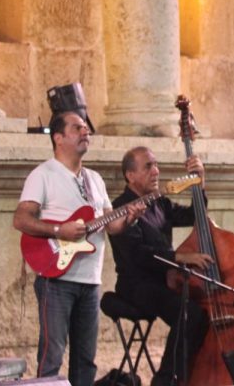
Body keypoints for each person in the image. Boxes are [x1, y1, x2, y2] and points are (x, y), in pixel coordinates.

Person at [13, 112, 143, 386]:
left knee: (86, 360)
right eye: (77, 128)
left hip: (90, 281)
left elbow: (111, 225)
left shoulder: (94, 179)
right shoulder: (43, 174)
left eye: (86, 128)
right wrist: (59, 231)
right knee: (52, 356)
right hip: (56, 279)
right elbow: (21, 220)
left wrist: (129, 218)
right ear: (58, 138)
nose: (86, 132)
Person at [109, 146, 213, 386]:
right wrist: (180, 257)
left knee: (201, 311)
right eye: (148, 166)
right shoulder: (120, 208)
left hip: (163, 282)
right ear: (130, 175)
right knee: (188, 314)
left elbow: (193, 216)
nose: (156, 171)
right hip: (136, 285)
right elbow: (138, 255)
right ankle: (166, 382)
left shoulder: (160, 202)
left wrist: (200, 183)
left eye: (156, 165)